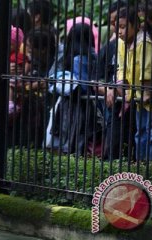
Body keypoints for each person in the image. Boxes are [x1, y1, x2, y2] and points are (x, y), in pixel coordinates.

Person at [116, 7, 152, 162]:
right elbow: (123, 68)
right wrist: (128, 92)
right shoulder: (122, 44)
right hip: (137, 95)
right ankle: (140, 166)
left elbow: (146, 70)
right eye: (117, 28)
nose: (119, 32)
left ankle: (150, 167)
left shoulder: (144, 42)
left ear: (135, 25)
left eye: (122, 27)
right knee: (140, 132)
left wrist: (147, 93)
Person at [47, 23, 98, 156]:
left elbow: (81, 85)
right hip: (90, 104)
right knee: (81, 139)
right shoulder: (94, 56)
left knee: (69, 139)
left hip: (73, 105)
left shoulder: (76, 60)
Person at [93, 0, 130, 160]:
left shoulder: (144, 46)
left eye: (121, 23)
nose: (117, 27)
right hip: (113, 107)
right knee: (113, 145)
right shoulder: (109, 47)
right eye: (114, 23)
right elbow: (96, 80)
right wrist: (108, 89)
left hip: (137, 103)